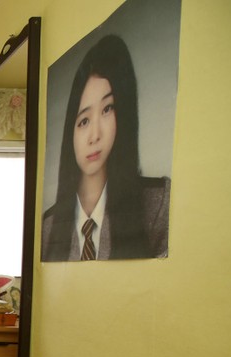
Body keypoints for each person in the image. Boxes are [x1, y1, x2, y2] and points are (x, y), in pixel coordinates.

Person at [41, 34, 169, 261]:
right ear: (71, 132)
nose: (95, 135)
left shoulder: (157, 205)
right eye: (84, 121)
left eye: (107, 109)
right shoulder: (48, 226)